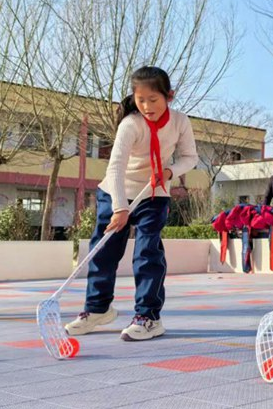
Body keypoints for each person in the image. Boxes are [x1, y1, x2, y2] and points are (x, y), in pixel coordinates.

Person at [65, 66, 198, 341]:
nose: (147, 106)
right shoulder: (130, 124)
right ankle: (98, 309)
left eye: (154, 99)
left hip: (154, 194)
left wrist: (170, 172)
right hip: (115, 192)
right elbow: (115, 169)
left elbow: (190, 157)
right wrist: (119, 208)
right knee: (103, 252)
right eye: (141, 100)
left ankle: (148, 317)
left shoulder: (180, 121)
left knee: (147, 253)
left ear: (169, 96)